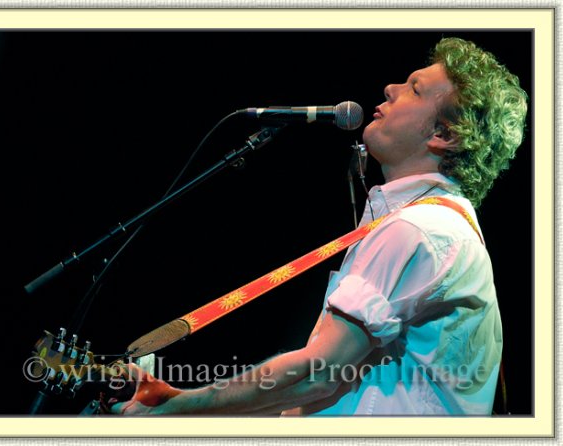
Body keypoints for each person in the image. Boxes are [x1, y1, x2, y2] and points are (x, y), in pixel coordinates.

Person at [107, 37, 527, 416]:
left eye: (414, 88)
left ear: (444, 134)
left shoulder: (418, 229)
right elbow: (327, 387)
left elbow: (317, 375)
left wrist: (181, 407)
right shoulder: (436, 225)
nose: (390, 88)